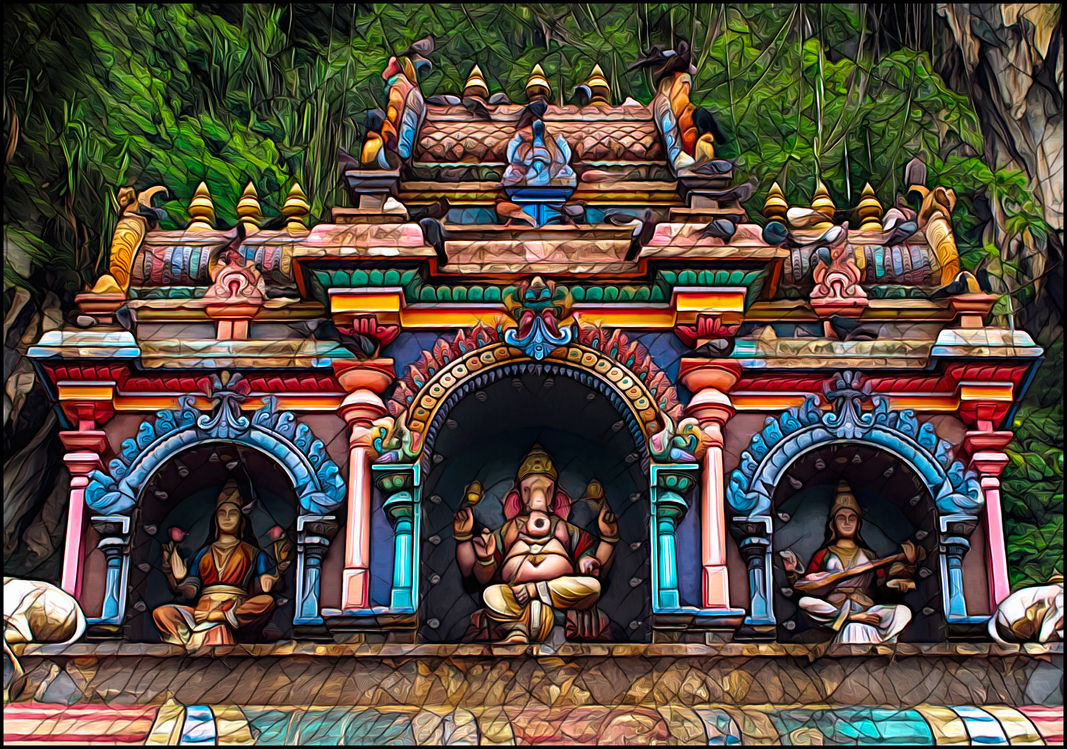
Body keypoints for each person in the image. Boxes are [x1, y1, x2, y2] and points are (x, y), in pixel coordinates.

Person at [453, 444, 617, 643]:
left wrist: (606, 542)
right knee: (491, 593)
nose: (537, 496)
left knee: (592, 587)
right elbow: (480, 578)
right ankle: (517, 630)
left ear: (556, 498)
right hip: (516, 595)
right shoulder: (509, 529)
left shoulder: (563, 528)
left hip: (555, 593)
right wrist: (485, 557)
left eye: (546, 490)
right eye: (528, 489)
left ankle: (536, 594)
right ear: (517, 498)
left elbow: (592, 564)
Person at [781, 480, 919, 645]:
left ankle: (866, 624)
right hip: (835, 608)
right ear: (833, 525)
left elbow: (882, 589)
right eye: (841, 518)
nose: (847, 523)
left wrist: (903, 575)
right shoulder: (824, 554)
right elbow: (806, 587)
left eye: (852, 518)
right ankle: (851, 618)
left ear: (858, 524)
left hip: (867, 608)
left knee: (903, 612)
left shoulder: (870, 556)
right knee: (805, 603)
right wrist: (791, 572)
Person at [153, 480, 282, 649]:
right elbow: (191, 591)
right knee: (162, 613)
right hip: (201, 610)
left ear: (241, 520)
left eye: (232, 513)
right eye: (222, 513)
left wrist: (275, 571)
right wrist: (174, 574)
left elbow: (265, 587)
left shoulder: (254, 553)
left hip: (234, 607)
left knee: (267, 601)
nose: (226, 518)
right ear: (215, 519)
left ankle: (217, 621)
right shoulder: (203, 553)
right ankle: (191, 640)